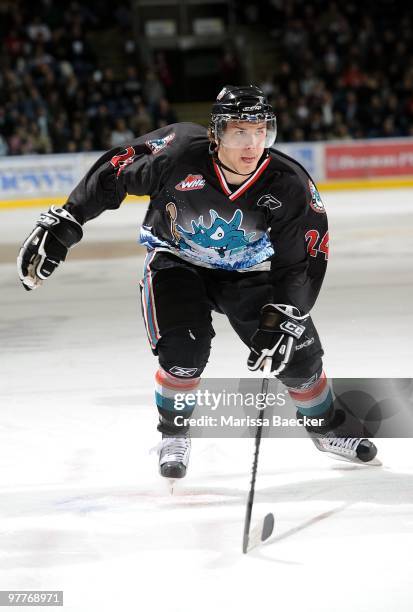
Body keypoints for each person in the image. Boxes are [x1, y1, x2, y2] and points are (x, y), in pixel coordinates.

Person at [17, 85, 378, 480]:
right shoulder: (177, 154)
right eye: (241, 131)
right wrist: (69, 219)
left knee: (300, 356)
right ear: (216, 133)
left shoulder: (287, 183)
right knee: (183, 352)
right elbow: (115, 172)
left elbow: (300, 260)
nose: (252, 144)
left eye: (261, 132)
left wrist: (286, 311)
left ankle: (326, 426)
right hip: (176, 262)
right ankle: (174, 434)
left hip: (247, 272)